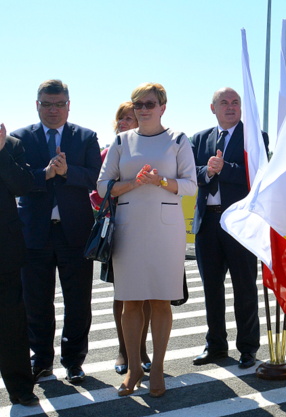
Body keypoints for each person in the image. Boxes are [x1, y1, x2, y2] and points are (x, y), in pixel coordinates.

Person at [98, 83, 197, 398]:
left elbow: (191, 185)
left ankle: (157, 368)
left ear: (162, 107)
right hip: (129, 228)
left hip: (166, 230)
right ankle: (133, 368)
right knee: (130, 301)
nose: (143, 109)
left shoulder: (178, 140)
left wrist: (160, 181)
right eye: (138, 104)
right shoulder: (121, 141)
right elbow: (102, 186)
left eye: (149, 104)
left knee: (160, 301)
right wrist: (133, 183)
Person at [12, 80, 101, 385]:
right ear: (37, 105)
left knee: (78, 301)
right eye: (47, 104)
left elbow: (96, 178)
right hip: (33, 233)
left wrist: (67, 172)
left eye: (59, 104)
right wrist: (46, 174)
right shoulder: (20, 138)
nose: (53, 110)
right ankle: (41, 359)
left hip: (74, 232)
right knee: (36, 301)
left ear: (69, 105)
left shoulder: (85, 137)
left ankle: (73, 361)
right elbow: (17, 181)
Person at [191, 88, 268, 369]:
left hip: (240, 225)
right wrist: (208, 171)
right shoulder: (199, 139)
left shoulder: (255, 137)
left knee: (244, 287)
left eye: (235, 102)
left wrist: (225, 168)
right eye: (224, 103)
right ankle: (215, 345)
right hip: (208, 223)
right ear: (213, 108)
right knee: (211, 289)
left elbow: (257, 175)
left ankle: (248, 347)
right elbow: (189, 173)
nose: (230, 107)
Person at [96, 102, 153, 376]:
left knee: (148, 294)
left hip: (150, 228)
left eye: (129, 118)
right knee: (123, 293)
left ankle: (141, 350)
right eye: (121, 118)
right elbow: (97, 194)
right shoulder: (109, 152)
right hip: (119, 229)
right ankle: (123, 350)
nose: (123, 122)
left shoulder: (151, 152)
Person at [0, 123, 38, 406]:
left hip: (5, 249)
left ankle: (21, 387)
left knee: (12, 323)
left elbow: (23, 185)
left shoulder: (11, 146)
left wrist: (1, 151)